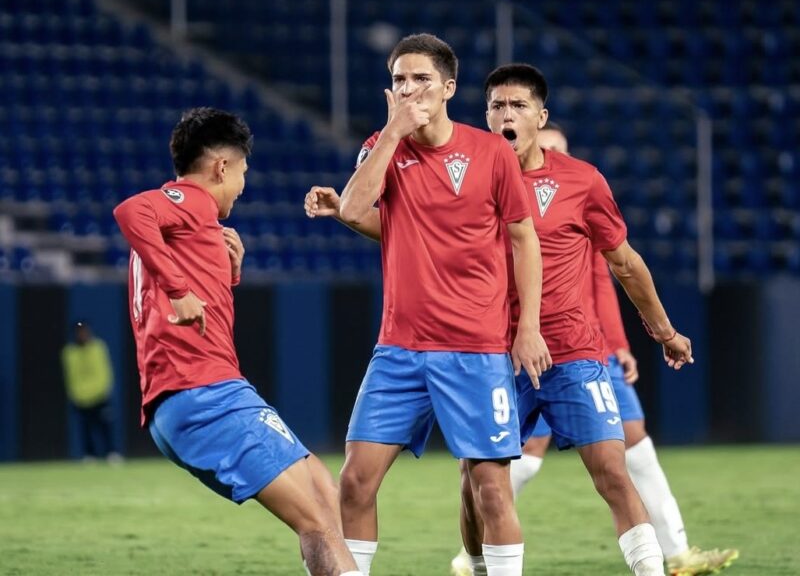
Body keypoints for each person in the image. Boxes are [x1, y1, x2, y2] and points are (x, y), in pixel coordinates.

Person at [451, 123, 739, 576]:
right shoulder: (481, 185)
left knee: (627, 454)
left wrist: (625, 342)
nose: (549, 158)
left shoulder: (578, 189)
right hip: (501, 355)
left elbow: (608, 277)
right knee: (484, 476)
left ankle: (675, 554)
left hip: (581, 352)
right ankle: (472, 560)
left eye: (557, 150)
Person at [328, 33, 551, 576]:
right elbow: (353, 209)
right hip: (399, 348)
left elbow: (524, 239)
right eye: (400, 79)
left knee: (490, 489)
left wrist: (529, 329)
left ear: (448, 87)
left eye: (421, 79)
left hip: (475, 348)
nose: (409, 89)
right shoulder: (384, 146)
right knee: (355, 482)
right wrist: (391, 135)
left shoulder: (492, 152)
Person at [113, 107, 361, 576]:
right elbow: (130, 211)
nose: (244, 185)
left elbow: (197, 311)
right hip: (203, 394)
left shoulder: (192, 223)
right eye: (243, 171)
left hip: (210, 391)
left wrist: (229, 275)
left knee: (324, 491)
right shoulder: (186, 200)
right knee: (316, 520)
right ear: (221, 167)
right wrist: (180, 290)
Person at [61, 321, 120, 462]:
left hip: (100, 396)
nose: (82, 334)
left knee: (106, 427)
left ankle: (111, 453)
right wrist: (76, 395)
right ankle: (89, 455)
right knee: (86, 429)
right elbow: (71, 376)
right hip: (81, 398)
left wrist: (104, 390)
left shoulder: (98, 347)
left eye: (84, 331)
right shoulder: (69, 352)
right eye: (79, 331)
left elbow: (104, 370)